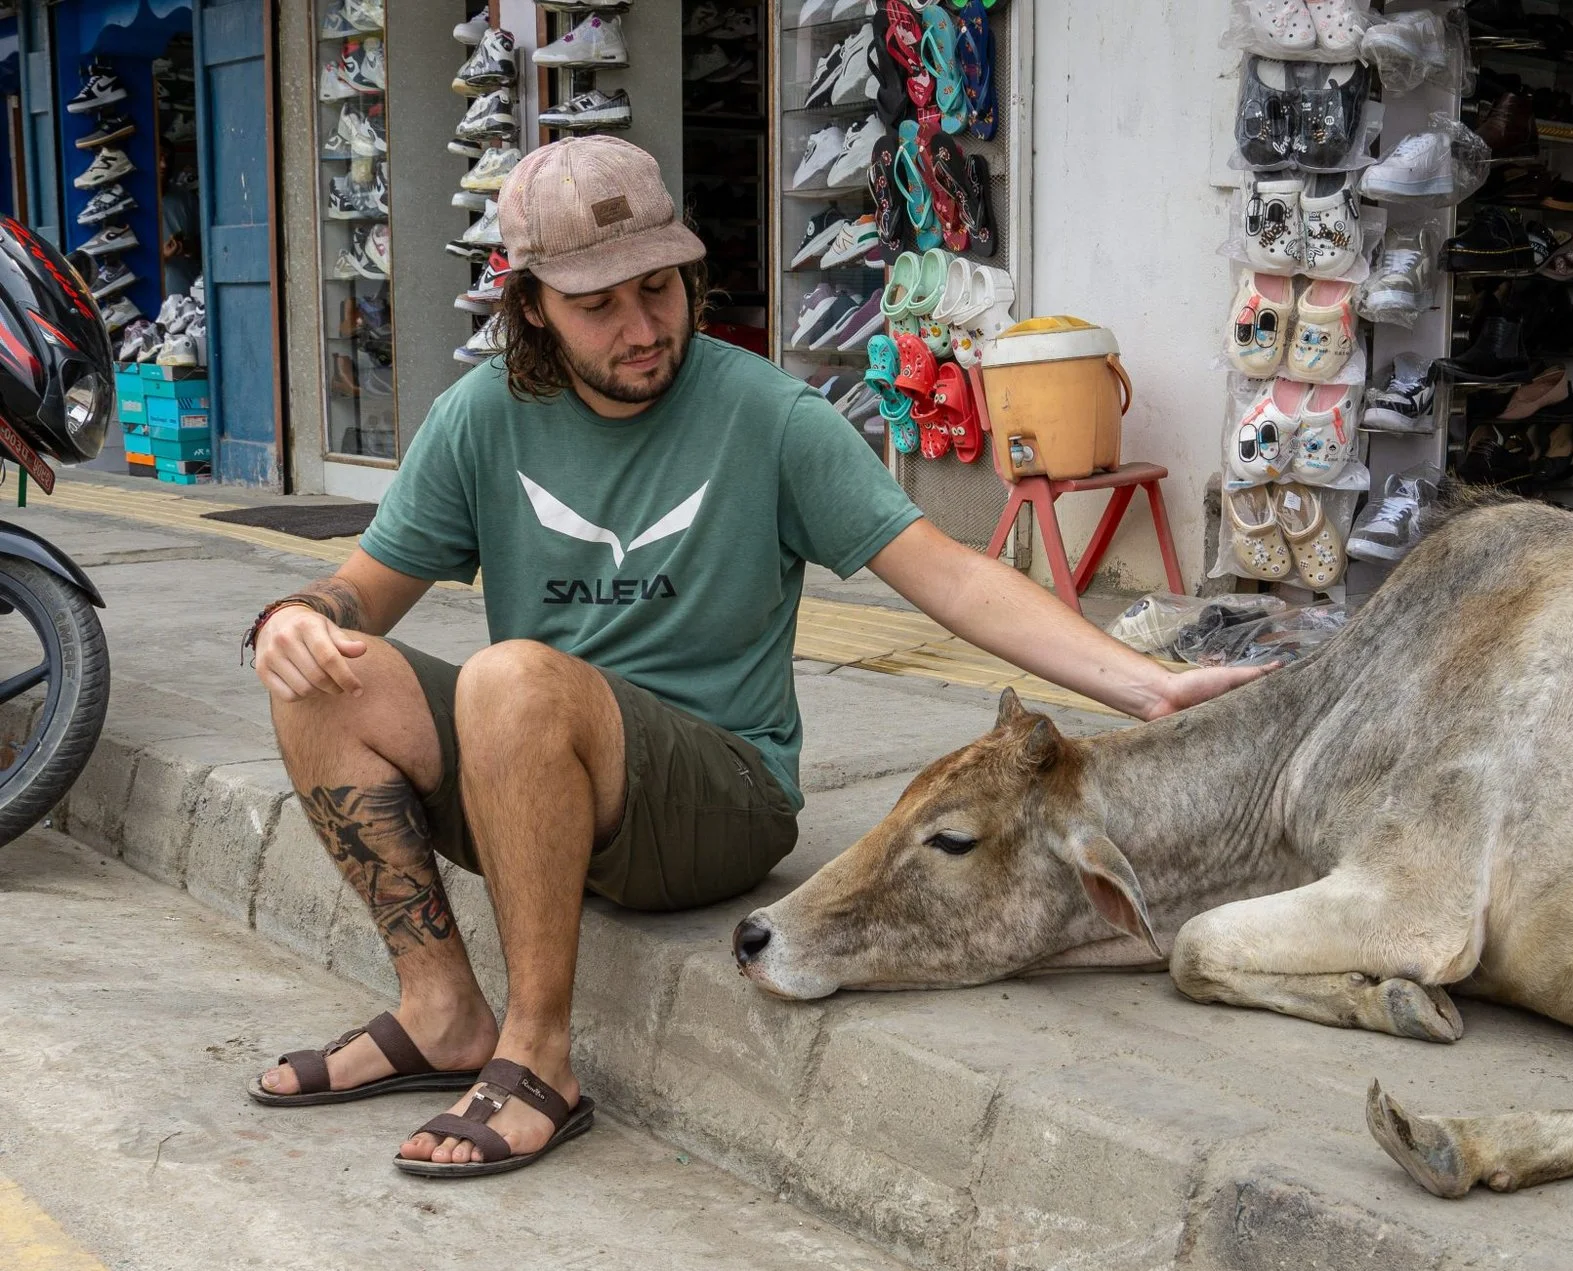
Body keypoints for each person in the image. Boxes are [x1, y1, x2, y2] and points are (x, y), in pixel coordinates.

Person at [244, 136, 1256, 1177]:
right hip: (539, 769)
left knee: (513, 676)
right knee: (326, 673)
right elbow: (361, 587)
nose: (643, 328)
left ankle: (540, 1055)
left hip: (720, 792)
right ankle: (443, 1010)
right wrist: (299, 615)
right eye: (601, 306)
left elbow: (948, 573)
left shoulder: (767, 416)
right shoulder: (479, 419)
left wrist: (1147, 683)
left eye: (660, 288)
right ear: (533, 303)